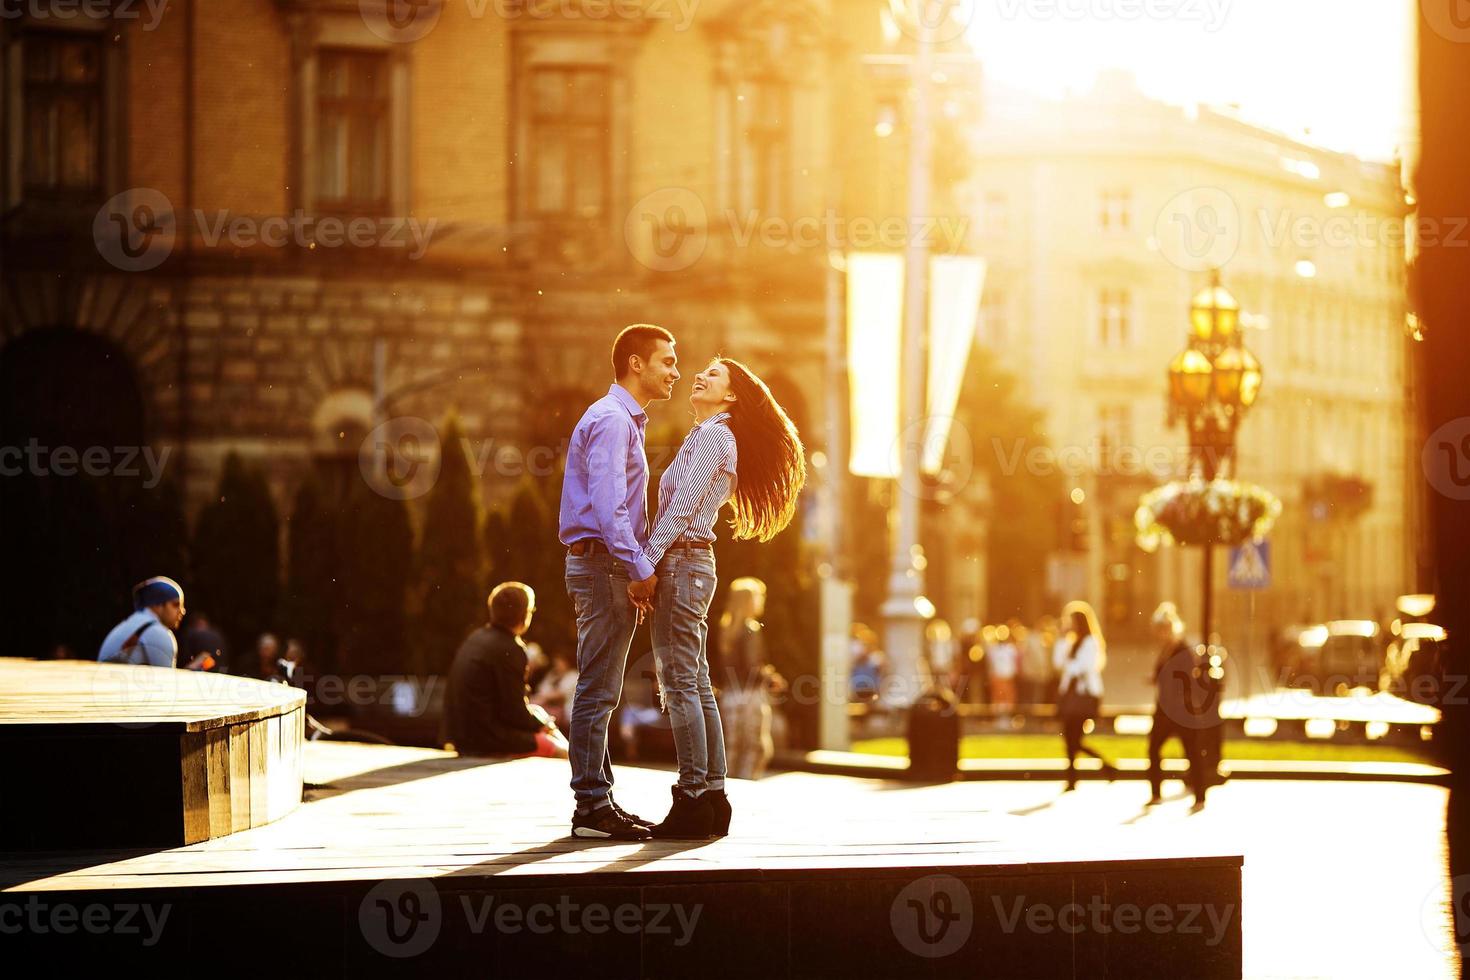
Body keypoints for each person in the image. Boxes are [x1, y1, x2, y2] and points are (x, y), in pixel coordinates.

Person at [640, 357, 806, 838]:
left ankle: (694, 796)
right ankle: (712, 794)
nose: (699, 376)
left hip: (682, 560)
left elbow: (681, 508)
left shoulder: (715, 435)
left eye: (713, 375)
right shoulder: (710, 432)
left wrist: (644, 566)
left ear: (730, 396)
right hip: (692, 563)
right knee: (695, 680)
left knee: (682, 683)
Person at [559, 323, 679, 840]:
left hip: (606, 564)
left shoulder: (623, 420)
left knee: (602, 687)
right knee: (597, 689)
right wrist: (640, 567)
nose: (675, 372)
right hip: (605, 563)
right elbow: (610, 510)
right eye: (667, 362)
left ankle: (599, 798)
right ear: (636, 363)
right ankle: (590, 808)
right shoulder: (611, 421)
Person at [443, 583, 569, 759]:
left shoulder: (476, 638)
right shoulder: (510, 649)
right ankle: (578, 759)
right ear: (525, 615)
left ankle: (574, 752)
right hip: (486, 740)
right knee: (559, 751)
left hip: (461, 736)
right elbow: (514, 713)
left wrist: (541, 721)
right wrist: (544, 725)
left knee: (539, 713)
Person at [1146, 602, 1208, 812]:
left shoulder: (1183, 649)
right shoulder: (1166, 650)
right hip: (1164, 709)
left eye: (1163, 629)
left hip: (1182, 710)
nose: (1160, 634)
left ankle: (1200, 796)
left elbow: (1189, 678)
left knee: (1192, 752)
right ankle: (1155, 793)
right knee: (1153, 748)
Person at [719, 577, 782, 781]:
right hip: (752, 697)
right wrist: (772, 678)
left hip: (730, 696)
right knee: (756, 749)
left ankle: (726, 789)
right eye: (758, 597)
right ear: (750, 601)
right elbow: (754, 667)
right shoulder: (751, 628)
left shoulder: (725, 629)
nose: (761, 601)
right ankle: (746, 788)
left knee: (733, 748)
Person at [1054, 601, 1117, 790]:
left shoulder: (1091, 642)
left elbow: (1085, 667)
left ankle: (1099, 768)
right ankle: (1078, 775)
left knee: (1074, 739)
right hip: (1070, 696)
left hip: (1084, 696)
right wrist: (1062, 639)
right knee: (1070, 739)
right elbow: (1058, 664)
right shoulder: (1070, 643)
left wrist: (1071, 666)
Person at [98, 576, 197, 668]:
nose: (182, 611)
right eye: (176, 605)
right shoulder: (157, 632)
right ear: (157, 605)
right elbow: (166, 683)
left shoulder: (132, 624)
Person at [532, 648, 579, 731]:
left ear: (567, 662)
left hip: (566, 714)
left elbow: (560, 695)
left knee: (537, 714)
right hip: (550, 708)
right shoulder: (553, 674)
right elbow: (541, 689)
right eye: (556, 661)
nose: (557, 664)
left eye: (560, 661)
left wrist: (542, 698)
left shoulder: (573, 676)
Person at [987, 625, 1020, 719]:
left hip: (1007, 676)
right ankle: (999, 718)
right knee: (998, 697)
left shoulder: (1011, 649)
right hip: (997, 676)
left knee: (1008, 697)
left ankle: (1006, 718)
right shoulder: (993, 649)